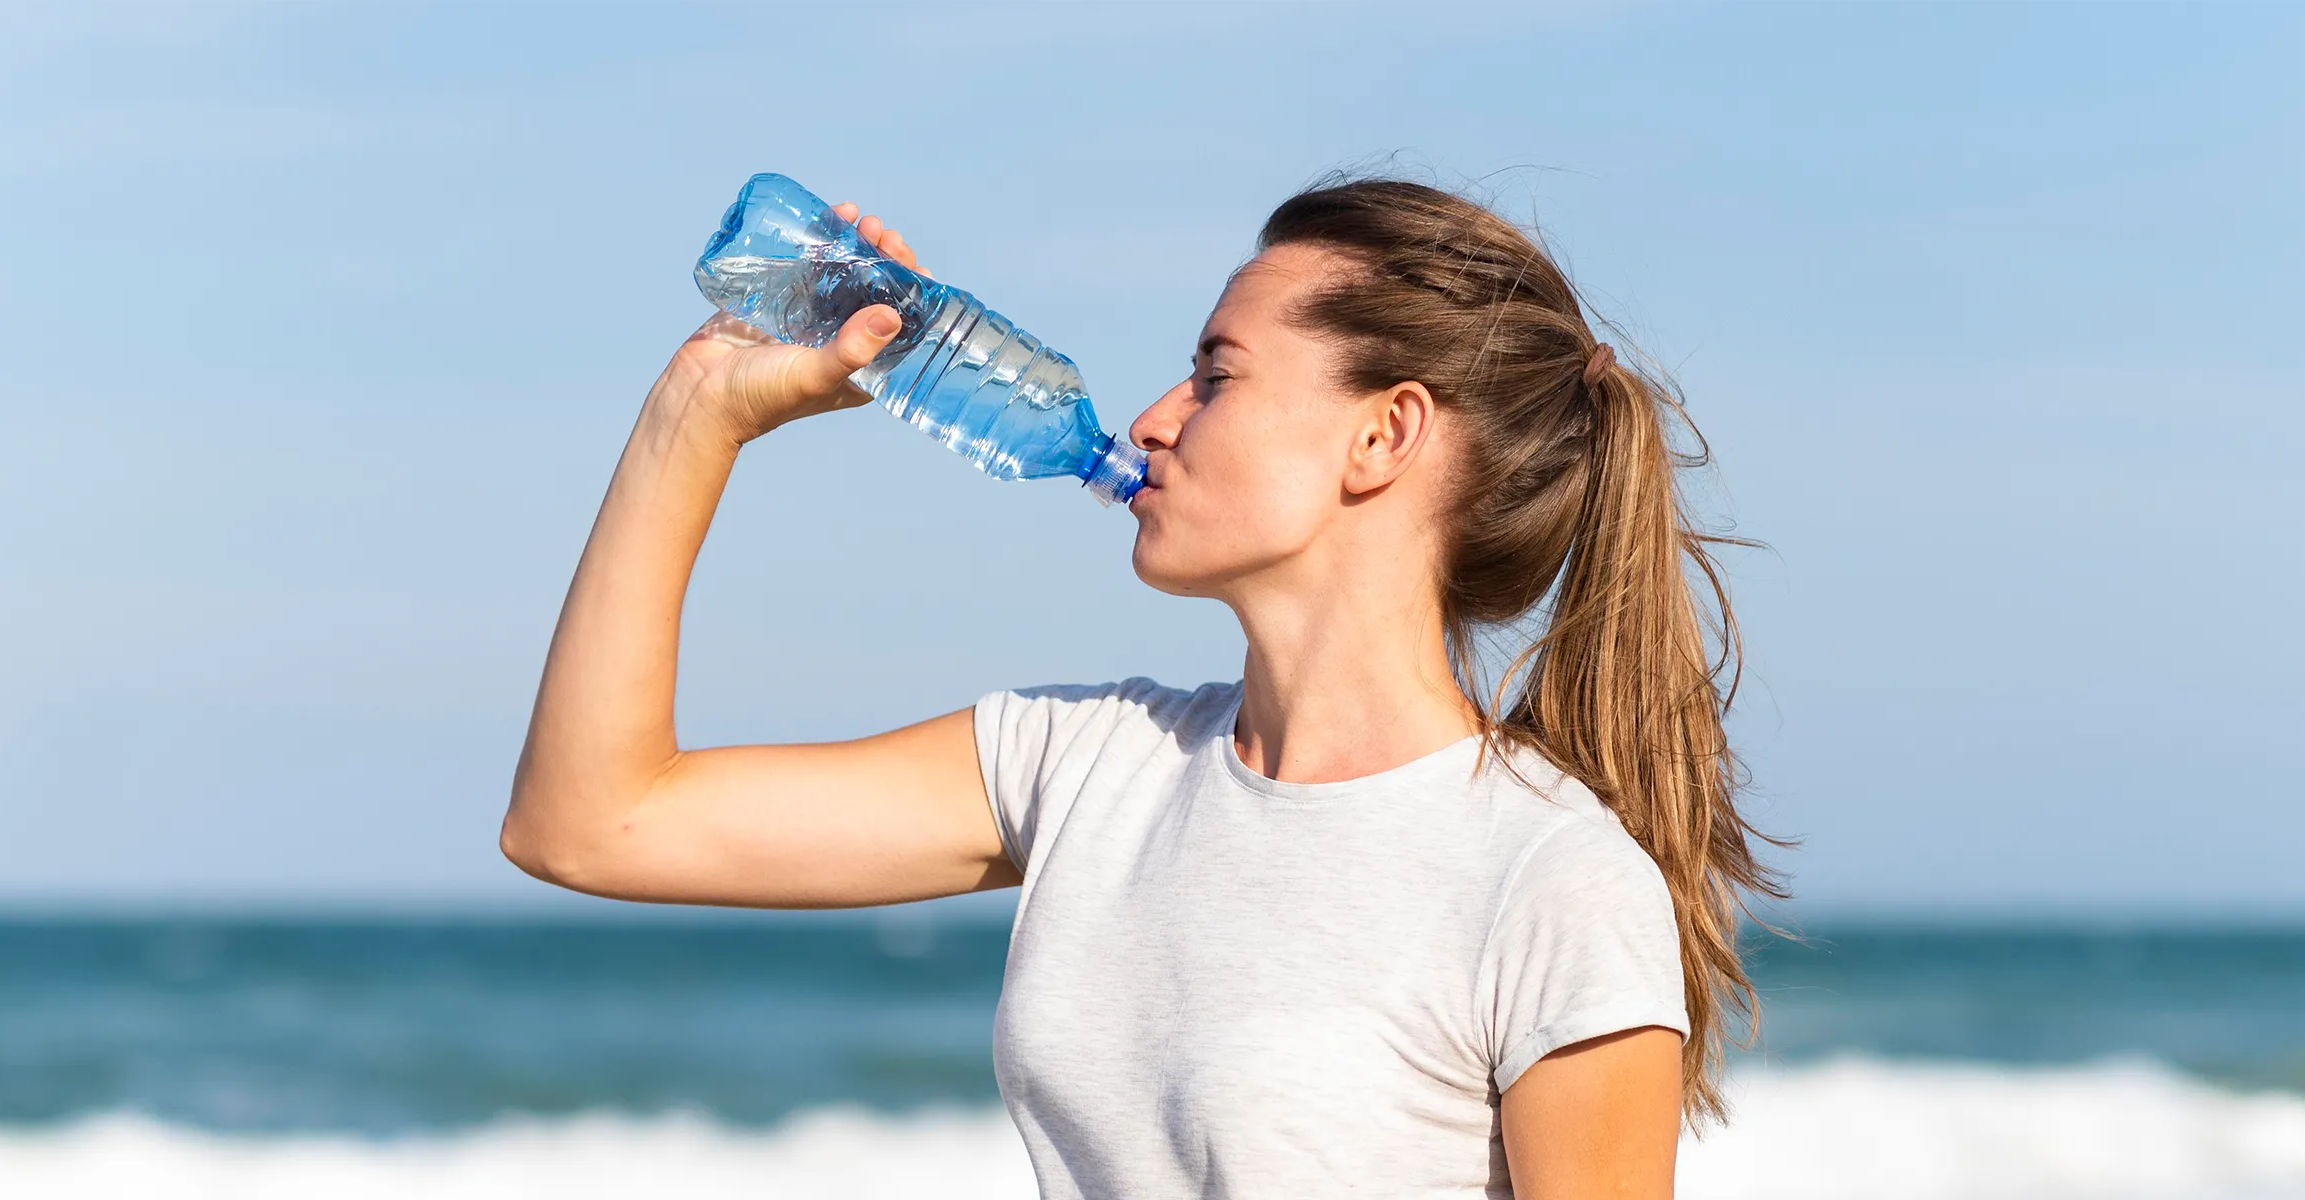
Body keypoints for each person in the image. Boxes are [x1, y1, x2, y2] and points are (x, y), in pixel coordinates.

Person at [501, 175, 1785, 1198]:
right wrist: (698, 415)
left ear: (1382, 434)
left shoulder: (1546, 878)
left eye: (1217, 376)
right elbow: (590, 822)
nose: (1157, 416)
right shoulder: (1087, 765)